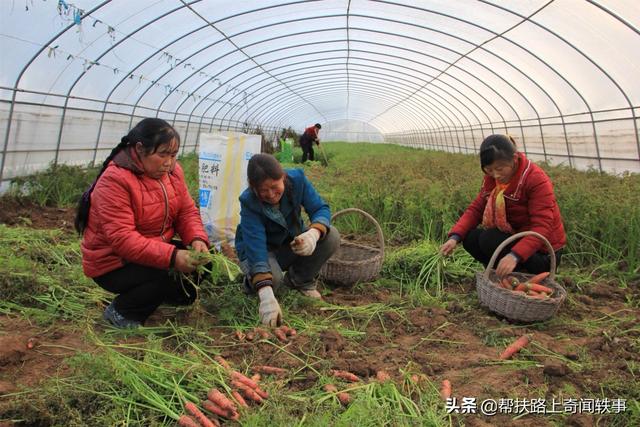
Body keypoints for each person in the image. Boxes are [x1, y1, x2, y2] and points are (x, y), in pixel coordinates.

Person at [75, 118, 210, 328]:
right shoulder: (116, 180)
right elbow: (123, 240)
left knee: (205, 262)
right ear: (139, 149)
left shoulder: (173, 172)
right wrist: (173, 256)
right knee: (164, 272)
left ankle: (167, 298)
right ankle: (121, 313)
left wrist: (196, 238)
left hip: (150, 249)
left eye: (173, 155)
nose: (169, 162)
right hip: (113, 263)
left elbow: (186, 211)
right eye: (162, 154)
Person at [235, 153, 340, 326]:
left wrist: (313, 234)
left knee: (331, 236)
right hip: (261, 250)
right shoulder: (249, 202)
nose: (271, 194)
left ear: (283, 177)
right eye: (263, 190)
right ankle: (251, 281)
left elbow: (319, 208)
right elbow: (256, 245)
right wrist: (265, 293)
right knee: (272, 280)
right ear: (254, 189)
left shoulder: (297, 180)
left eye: (275, 187)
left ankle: (299, 280)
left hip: (289, 243)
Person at [440, 134, 566, 277]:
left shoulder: (535, 179)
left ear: (514, 159)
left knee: (490, 238)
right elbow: (476, 209)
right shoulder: (492, 180)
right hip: (516, 239)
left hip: (543, 254)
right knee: (470, 238)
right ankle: (503, 274)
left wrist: (515, 255)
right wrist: (455, 237)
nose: (495, 175)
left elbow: (543, 226)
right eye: (489, 170)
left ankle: (521, 273)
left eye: (500, 169)